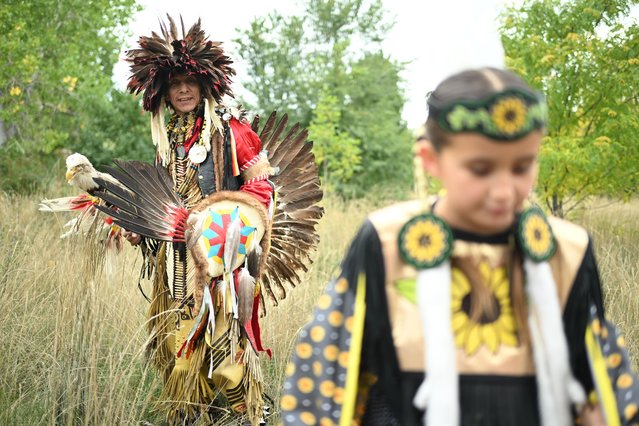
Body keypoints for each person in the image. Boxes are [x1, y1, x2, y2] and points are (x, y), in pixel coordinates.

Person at [280, 67, 633, 425]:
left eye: (522, 167)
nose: (503, 191)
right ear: (430, 159)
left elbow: (607, 387)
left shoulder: (565, 253)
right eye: (480, 169)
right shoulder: (386, 245)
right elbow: (320, 385)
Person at [123, 16, 275, 425]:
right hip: (174, 262)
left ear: (206, 85)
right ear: (163, 92)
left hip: (221, 260)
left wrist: (228, 222)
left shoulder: (231, 132)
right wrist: (140, 230)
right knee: (178, 340)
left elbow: (263, 189)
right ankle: (193, 413)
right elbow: (162, 200)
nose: (184, 90)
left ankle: (248, 414)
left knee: (224, 342)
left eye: (191, 81)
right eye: (176, 84)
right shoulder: (169, 137)